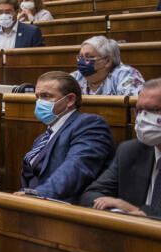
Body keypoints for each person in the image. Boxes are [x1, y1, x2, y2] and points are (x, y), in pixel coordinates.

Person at [16, 71, 115, 203]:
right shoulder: (42, 138)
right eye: (37, 97)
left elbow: (76, 168)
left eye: (46, 96)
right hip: (32, 205)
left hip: (63, 208)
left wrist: (38, 195)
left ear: (70, 100)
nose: (40, 102)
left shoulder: (89, 125)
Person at [80, 78, 161, 217]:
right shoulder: (130, 151)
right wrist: (119, 209)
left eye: (153, 110)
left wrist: (133, 210)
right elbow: (90, 195)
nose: (142, 117)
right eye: (139, 110)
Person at [71, 35, 144, 96]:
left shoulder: (125, 74)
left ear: (108, 61)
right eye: (81, 57)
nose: (83, 61)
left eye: (89, 57)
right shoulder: (76, 77)